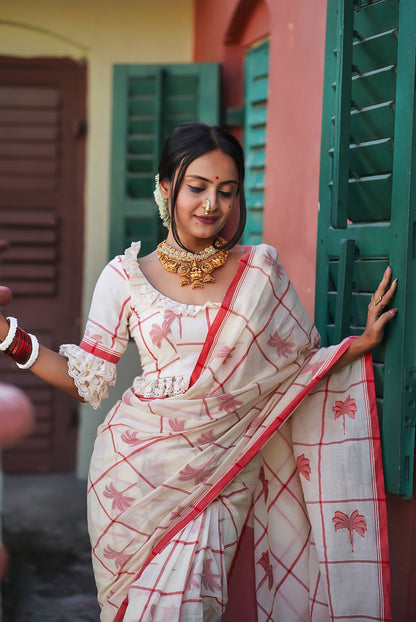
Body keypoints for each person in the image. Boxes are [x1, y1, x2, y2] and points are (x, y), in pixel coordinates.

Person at [0, 122, 397, 622]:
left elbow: (291, 371)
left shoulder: (260, 273)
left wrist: (353, 348)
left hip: (220, 471)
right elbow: (87, 379)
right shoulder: (124, 278)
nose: (213, 204)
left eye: (227, 192)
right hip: (132, 473)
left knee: (191, 606)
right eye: (198, 187)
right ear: (166, 188)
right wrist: (6, 336)